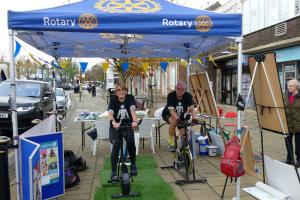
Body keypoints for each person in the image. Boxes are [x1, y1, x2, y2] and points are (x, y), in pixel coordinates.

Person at [108, 83, 138, 180]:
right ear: (116, 92)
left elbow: (132, 110)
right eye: (118, 90)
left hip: (127, 124)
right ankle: (113, 173)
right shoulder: (113, 100)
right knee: (116, 144)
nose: (121, 92)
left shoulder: (130, 98)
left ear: (126, 91)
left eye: (123, 89)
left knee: (130, 141)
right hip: (116, 126)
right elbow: (110, 113)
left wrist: (135, 121)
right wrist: (113, 122)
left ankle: (133, 165)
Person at [162, 81, 196, 152]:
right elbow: (171, 110)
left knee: (183, 132)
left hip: (181, 115)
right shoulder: (171, 95)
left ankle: (183, 146)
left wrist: (194, 118)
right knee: (174, 122)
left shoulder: (188, 96)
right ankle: (171, 143)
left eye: (182, 89)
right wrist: (177, 119)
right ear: (175, 89)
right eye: (178, 89)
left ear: (185, 90)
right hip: (168, 114)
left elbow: (192, 108)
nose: (180, 91)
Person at [284, 79, 300, 168]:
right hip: (287, 124)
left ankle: (299, 160)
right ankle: (289, 159)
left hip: (298, 124)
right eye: (288, 85)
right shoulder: (285, 95)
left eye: (290, 86)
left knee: (299, 144)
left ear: (296, 87)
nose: (288, 87)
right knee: (287, 142)